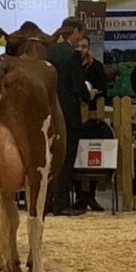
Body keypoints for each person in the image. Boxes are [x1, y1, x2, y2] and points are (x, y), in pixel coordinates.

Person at [46, 16, 91, 216]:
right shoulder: (71, 55)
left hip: (49, 111)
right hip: (68, 113)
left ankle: (46, 202)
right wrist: (87, 94)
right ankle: (62, 203)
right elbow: (77, 85)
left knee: (48, 160)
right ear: (74, 32)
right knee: (65, 158)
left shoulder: (49, 52)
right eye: (80, 33)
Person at [73, 34, 108, 213]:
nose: (81, 49)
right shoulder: (72, 65)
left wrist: (94, 92)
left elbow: (104, 86)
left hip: (93, 116)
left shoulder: (96, 66)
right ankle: (79, 195)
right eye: (78, 46)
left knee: (93, 156)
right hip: (75, 116)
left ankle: (91, 195)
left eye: (84, 46)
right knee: (76, 156)